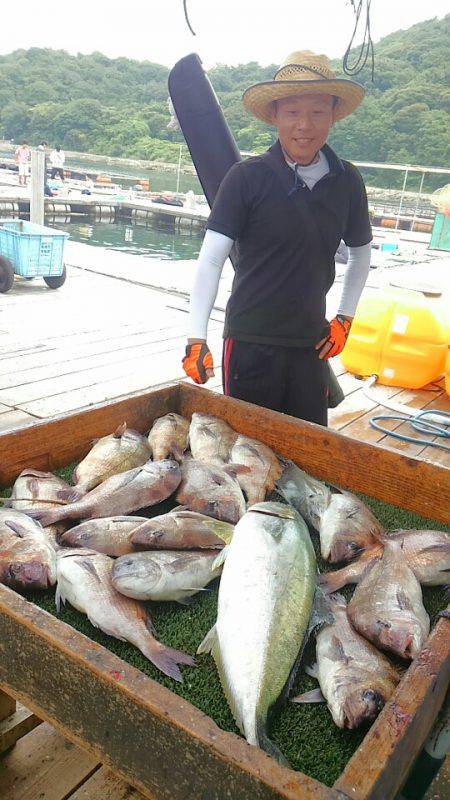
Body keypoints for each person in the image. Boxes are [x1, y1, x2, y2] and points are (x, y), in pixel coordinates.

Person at [182, 51, 372, 426]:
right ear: (274, 115)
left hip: (312, 344)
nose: (305, 125)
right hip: (250, 341)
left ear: (334, 112)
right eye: (292, 112)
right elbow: (211, 259)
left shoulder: (348, 181)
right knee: (247, 451)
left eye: (318, 111)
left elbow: (361, 254)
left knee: (309, 450)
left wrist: (345, 319)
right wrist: (195, 338)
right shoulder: (245, 178)